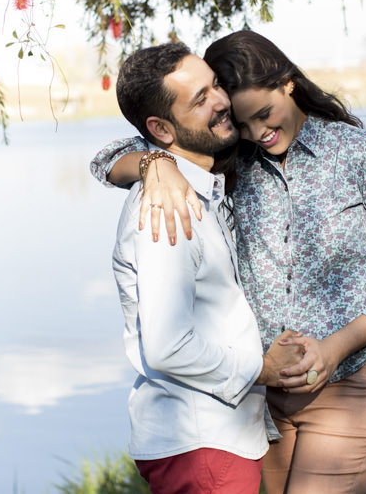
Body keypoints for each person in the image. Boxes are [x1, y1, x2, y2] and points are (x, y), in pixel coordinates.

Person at [91, 31, 366, 493]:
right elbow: (107, 157)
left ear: (288, 82)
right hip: (263, 399)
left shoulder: (361, 154)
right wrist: (155, 164)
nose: (257, 133)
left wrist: (334, 348)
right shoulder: (234, 155)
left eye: (263, 115)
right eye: (243, 121)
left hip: (349, 383)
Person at [108, 42, 304, 494]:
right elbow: (167, 347)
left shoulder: (197, 189)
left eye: (216, 85)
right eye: (200, 99)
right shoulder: (166, 210)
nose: (221, 101)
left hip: (215, 444)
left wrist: (153, 160)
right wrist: (264, 369)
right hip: (202, 448)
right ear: (161, 128)